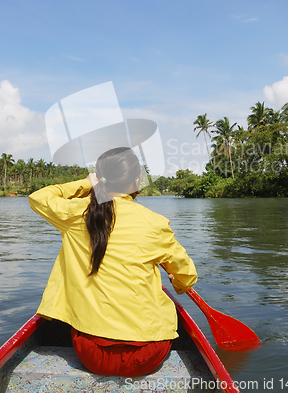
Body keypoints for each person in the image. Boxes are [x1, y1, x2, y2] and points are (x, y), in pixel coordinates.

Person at [28, 147, 197, 377]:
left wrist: (87, 183)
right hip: (146, 354)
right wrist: (178, 282)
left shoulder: (75, 213)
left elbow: (38, 198)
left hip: (92, 354)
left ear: (100, 179)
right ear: (136, 182)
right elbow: (187, 276)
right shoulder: (155, 223)